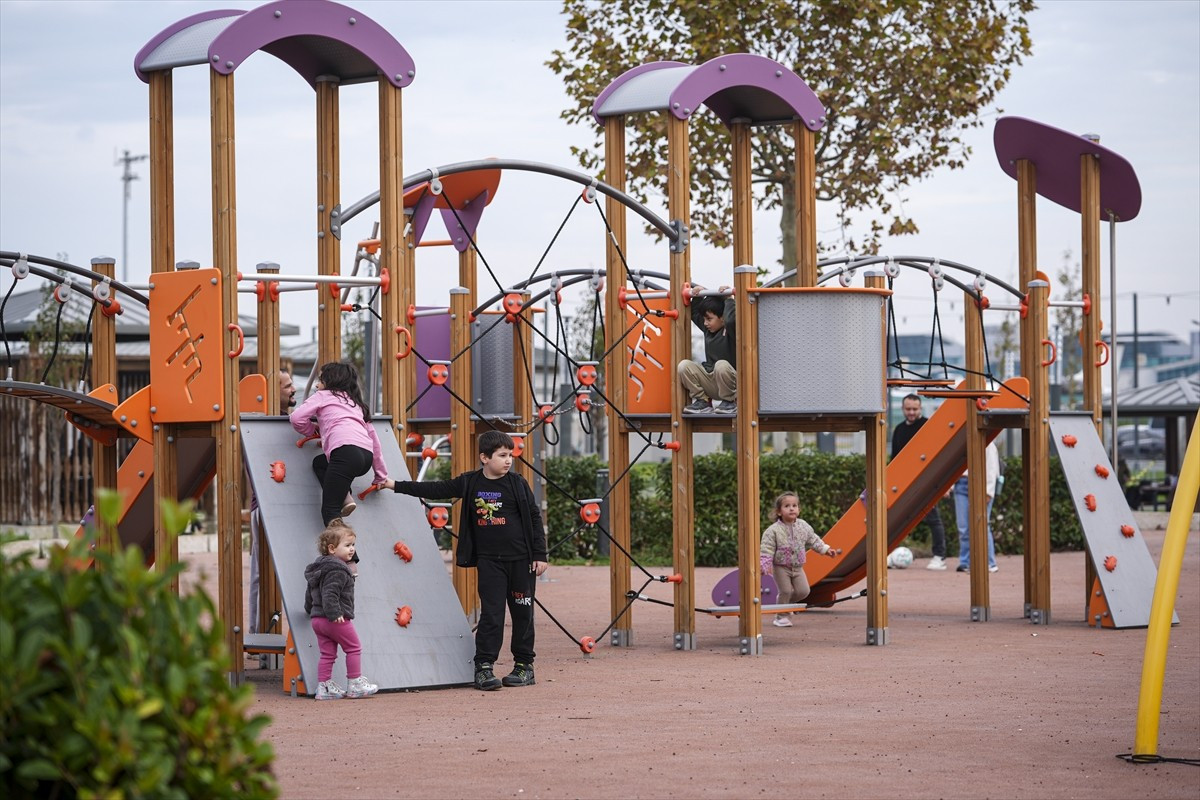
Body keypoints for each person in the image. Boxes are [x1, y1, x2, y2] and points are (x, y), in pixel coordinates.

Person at [382, 430, 548, 691]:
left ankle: (524, 666)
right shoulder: (471, 483)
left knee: (522, 614)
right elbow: (436, 488)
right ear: (484, 457)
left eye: (510, 455)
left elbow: (534, 517)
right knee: (491, 615)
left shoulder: (517, 484)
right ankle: (483, 667)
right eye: (502, 456)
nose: (508, 461)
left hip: (521, 561)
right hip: (490, 561)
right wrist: (395, 485)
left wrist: (539, 554)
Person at [290, 362, 389, 526]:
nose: (316, 384)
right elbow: (374, 441)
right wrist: (380, 475)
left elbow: (296, 418)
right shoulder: (356, 404)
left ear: (330, 382)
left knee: (330, 512)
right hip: (365, 458)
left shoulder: (323, 396)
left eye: (320, 380)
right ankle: (345, 496)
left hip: (346, 454)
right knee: (320, 463)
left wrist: (311, 430)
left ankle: (346, 551)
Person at [303, 521, 378, 700]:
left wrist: (309, 610)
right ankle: (355, 684)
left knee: (327, 654)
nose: (352, 549)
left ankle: (323, 687)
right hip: (335, 618)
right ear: (331, 549)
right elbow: (330, 593)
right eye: (347, 545)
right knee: (354, 648)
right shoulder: (338, 569)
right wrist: (335, 613)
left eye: (353, 545)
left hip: (317, 620)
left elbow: (310, 592)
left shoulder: (319, 568)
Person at [248, 369, 297, 640]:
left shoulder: (291, 420)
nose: (294, 390)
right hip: (266, 506)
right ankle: (255, 631)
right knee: (260, 571)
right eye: (288, 386)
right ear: (271, 391)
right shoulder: (259, 425)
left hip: (290, 505)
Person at [758, 491, 836, 628]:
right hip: (781, 567)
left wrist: (825, 549)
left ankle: (786, 605)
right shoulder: (773, 531)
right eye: (787, 506)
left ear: (799, 509)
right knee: (786, 591)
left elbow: (813, 539)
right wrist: (764, 565)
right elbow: (767, 549)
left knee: (803, 591)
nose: (792, 508)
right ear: (779, 512)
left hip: (798, 567)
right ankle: (780, 616)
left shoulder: (803, 526)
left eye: (795, 505)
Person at [890, 393, 950, 570]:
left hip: (925, 481)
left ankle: (940, 556)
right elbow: (894, 458)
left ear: (920, 409)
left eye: (914, 409)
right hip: (903, 482)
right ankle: (888, 554)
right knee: (895, 520)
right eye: (908, 409)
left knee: (933, 518)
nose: (911, 412)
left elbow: (936, 454)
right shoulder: (899, 429)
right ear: (902, 409)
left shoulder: (927, 426)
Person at [679, 284, 736, 415]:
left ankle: (730, 402)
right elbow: (693, 313)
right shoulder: (708, 329)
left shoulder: (731, 329)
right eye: (705, 319)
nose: (705, 323)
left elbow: (731, 320)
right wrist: (699, 295)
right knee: (684, 366)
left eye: (709, 319)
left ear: (722, 318)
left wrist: (728, 299)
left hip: (732, 383)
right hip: (713, 382)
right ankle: (703, 401)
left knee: (721, 365)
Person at [954, 441, 1000, 573]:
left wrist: (989, 491)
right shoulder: (960, 441)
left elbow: (991, 468)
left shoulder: (988, 443)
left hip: (980, 484)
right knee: (963, 527)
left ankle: (989, 562)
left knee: (982, 524)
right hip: (961, 483)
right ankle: (965, 562)